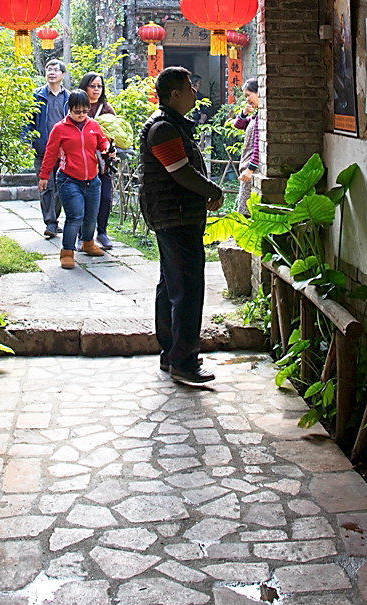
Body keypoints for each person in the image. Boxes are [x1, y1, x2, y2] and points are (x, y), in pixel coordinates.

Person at [139, 65, 223, 387]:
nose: (194, 92)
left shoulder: (171, 125)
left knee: (172, 285)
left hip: (175, 216)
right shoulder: (163, 128)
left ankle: (172, 353)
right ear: (175, 94)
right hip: (175, 217)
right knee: (187, 289)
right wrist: (213, 191)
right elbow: (181, 171)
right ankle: (183, 361)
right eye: (189, 87)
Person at [39, 89, 110, 269]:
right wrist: (44, 176)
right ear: (69, 109)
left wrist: (107, 149)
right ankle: (67, 252)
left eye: (85, 111)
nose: (81, 115)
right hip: (68, 179)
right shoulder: (60, 128)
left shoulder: (93, 125)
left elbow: (102, 142)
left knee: (91, 216)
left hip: (92, 179)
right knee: (75, 215)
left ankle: (88, 243)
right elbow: (50, 153)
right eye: (77, 111)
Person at [79, 72, 132, 250]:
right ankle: (82, 235)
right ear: (84, 86)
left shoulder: (107, 108)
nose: (96, 89)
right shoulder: (78, 106)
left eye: (99, 86)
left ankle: (102, 232)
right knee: (82, 199)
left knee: (105, 198)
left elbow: (116, 134)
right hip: (82, 161)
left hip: (104, 164)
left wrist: (113, 149)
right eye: (92, 86)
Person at [31, 60, 68, 238]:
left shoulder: (69, 98)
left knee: (61, 187)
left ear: (63, 75)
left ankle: (55, 220)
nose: (51, 72)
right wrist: (26, 141)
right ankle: (50, 223)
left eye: (55, 70)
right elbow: (28, 121)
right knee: (45, 187)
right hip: (42, 150)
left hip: (64, 152)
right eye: (48, 69)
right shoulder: (36, 96)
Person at [233, 77, 260, 216]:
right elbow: (238, 125)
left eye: (249, 95)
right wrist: (244, 113)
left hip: (251, 172)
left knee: (246, 213)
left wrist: (250, 170)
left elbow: (258, 148)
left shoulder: (262, 119)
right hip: (248, 171)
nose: (247, 100)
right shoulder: (255, 117)